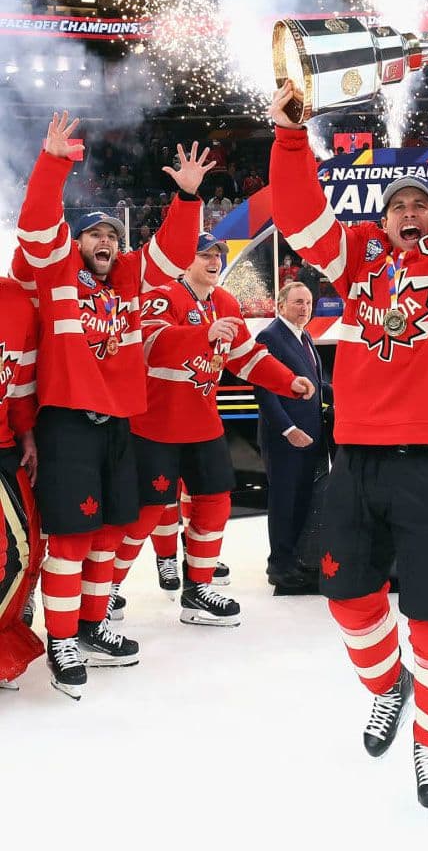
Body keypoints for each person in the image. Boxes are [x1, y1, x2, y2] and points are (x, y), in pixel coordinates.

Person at [269, 45, 428, 809]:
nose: (409, 213)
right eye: (395, 207)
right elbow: (301, 214)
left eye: (420, 205)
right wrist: (288, 137)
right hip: (360, 465)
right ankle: (387, 683)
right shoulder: (355, 261)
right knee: (347, 602)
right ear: (378, 222)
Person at [17, 111, 213, 699]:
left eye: (113, 237)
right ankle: (60, 639)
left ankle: (92, 623)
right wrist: (54, 163)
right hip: (68, 425)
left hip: (119, 424)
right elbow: (34, 226)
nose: (107, 243)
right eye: (95, 235)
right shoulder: (52, 275)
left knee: (111, 530)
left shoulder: (129, 280)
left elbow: (172, 254)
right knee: (73, 538)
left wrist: (186, 197)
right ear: (76, 244)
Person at [105, 237, 315, 627]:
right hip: (156, 425)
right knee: (147, 512)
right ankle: (107, 590)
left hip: (202, 424)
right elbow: (149, 346)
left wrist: (289, 382)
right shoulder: (162, 296)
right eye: (205, 254)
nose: (214, 261)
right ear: (186, 259)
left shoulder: (227, 302)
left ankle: (197, 589)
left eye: (218, 255)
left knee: (216, 501)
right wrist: (203, 333)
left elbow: (247, 358)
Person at [255, 282, 329, 588]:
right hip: (286, 438)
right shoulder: (270, 336)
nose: (305, 308)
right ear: (281, 305)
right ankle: (279, 566)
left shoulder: (305, 336)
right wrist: (288, 429)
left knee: (300, 501)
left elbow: (317, 385)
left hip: (310, 436)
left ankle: (294, 559)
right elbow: (265, 390)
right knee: (284, 502)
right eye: (298, 302)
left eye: (309, 303)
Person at [0, 278, 43, 691]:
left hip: (3, 444)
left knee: (22, 549)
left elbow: (21, 384)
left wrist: (26, 432)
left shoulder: (16, 299)